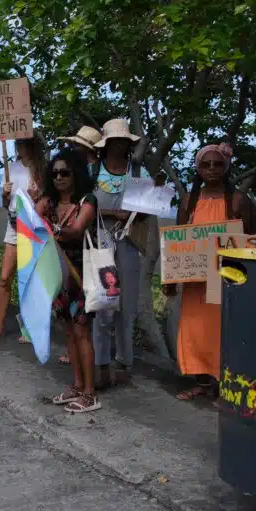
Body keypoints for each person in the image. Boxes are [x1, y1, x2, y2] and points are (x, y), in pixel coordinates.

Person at [167, 143, 256, 402]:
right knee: (197, 330)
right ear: (197, 168)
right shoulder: (189, 201)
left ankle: (226, 384)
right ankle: (203, 382)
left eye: (217, 164)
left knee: (225, 330)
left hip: (228, 279)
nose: (211, 169)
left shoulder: (239, 201)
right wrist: (171, 280)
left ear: (227, 167)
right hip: (197, 281)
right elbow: (177, 243)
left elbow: (253, 239)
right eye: (205, 165)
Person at [88, 118, 151, 388]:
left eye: (123, 140)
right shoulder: (91, 172)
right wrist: (113, 212)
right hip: (99, 243)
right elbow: (82, 207)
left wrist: (138, 213)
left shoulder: (138, 172)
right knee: (101, 303)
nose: (119, 145)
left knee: (127, 306)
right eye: (115, 141)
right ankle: (100, 362)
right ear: (106, 144)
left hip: (128, 244)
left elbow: (150, 206)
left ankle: (124, 361)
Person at [38, 150, 100, 413]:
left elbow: (76, 232)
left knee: (82, 331)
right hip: (58, 275)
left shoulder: (88, 200)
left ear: (76, 173)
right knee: (68, 332)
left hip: (81, 275)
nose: (59, 178)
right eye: (54, 173)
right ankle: (76, 385)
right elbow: (26, 217)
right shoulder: (48, 202)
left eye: (65, 172)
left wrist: (50, 228)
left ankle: (89, 393)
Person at [0, 136, 44, 342]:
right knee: (5, 277)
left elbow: (46, 201)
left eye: (25, 143)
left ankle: (30, 327)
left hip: (33, 226)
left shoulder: (41, 169)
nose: (21, 147)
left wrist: (37, 195)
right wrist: (4, 194)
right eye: (19, 143)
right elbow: (4, 203)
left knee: (30, 279)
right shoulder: (12, 168)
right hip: (14, 223)